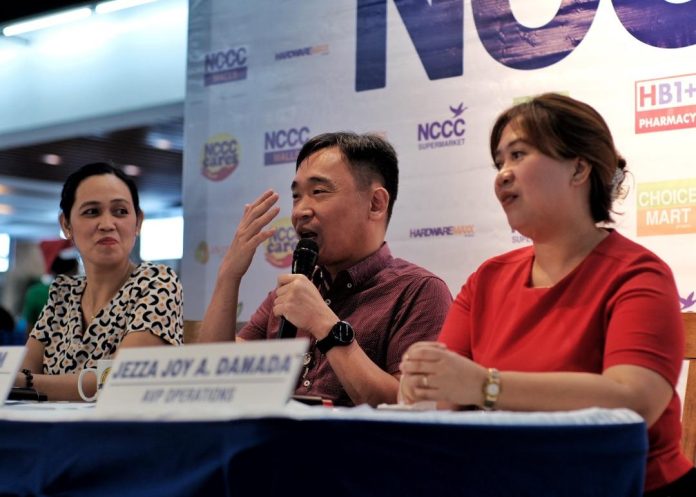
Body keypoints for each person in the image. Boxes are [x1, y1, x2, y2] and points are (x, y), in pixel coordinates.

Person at [399, 93, 695, 496]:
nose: (503, 174)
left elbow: (632, 402)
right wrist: (422, 383)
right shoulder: (487, 279)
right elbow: (443, 398)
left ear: (578, 169)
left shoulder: (638, 274)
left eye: (519, 155)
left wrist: (485, 387)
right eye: (499, 161)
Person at [198, 132, 452, 406]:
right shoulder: (291, 292)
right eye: (296, 196)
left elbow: (415, 408)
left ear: (376, 204)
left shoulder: (419, 291)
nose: (300, 212)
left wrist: (326, 326)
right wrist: (229, 275)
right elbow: (215, 373)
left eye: (318, 192)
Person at [15, 162, 184, 401]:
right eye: (92, 212)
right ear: (66, 225)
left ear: (138, 222)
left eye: (120, 212)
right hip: (51, 433)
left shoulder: (157, 283)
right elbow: (22, 372)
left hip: (123, 434)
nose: (107, 224)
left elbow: (118, 380)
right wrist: (20, 379)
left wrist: (26, 382)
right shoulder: (63, 294)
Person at [22, 253, 79, 333]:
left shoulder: (35, 292)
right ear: (73, 272)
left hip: (40, 341)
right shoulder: (78, 294)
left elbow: (30, 326)